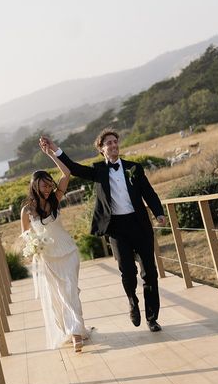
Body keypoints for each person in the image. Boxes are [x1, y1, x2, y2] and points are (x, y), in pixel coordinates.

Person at [39, 129, 166, 332]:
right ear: (101, 149)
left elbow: (148, 193)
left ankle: (152, 318)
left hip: (140, 225)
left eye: (115, 142)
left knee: (149, 273)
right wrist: (54, 149)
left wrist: (159, 212)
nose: (114, 145)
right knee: (128, 273)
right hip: (117, 229)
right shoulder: (98, 171)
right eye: (109, 143)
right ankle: (133, 302)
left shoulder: (134, 168)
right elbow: (73, 168)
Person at [20, 151, 88, 352]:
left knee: (70, 291)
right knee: (59, 296)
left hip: (68, 252)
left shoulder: (56, 199)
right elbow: (25, 235)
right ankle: (71, 330)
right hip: (48, 257)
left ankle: (76, 334)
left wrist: (51, 154)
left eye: (50, 185)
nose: (49, 188)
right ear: (35, 186)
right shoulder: (27, 211)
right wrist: (33, 244)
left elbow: (66, 174)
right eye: (44, 185)